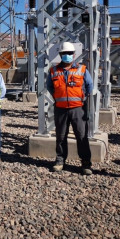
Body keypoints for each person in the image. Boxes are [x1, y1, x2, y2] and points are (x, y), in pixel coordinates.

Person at [47, 42, 93, 175]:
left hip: (78, 108)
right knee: (61, 136)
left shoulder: (82, 69)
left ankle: (86, 163)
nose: (67, 56)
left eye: (70, 53)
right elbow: (50, 87)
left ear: (74, 55)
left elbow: (89, 86)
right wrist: (58, 96)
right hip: (60, 109)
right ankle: (60, 161)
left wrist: (82, 98)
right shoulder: (54, 70)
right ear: (60, 55)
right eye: (64, 54)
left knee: (82, 136)